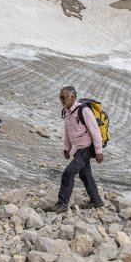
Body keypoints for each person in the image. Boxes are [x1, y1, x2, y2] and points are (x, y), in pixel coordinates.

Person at [48, 86, 104, 214]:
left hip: (86, 149)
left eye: (63, 97)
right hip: (77, 149)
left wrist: (99, 151)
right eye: (60, 97)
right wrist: (66, 148)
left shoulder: (84, 111)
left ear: (72, 97)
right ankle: (96, 201)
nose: (61, 100)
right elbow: (68, 132)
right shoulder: (67, 112)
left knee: (68, 172)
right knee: (85, 175)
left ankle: (62, 203)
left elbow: (95, 131)